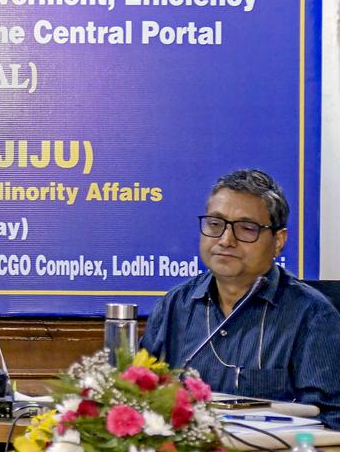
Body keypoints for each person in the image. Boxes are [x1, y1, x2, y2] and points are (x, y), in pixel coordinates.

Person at [141, 169, 340, 428]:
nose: (226, 240)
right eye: (215, 224)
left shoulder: (313, 317)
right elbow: (137, 395)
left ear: (278, 241)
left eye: (246, 228)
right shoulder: (175, 305)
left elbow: (330, 421)